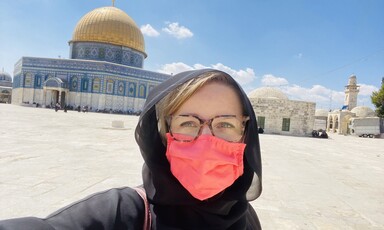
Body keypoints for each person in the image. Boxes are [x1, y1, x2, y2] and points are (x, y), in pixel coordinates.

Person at [0, 69, 263, 229]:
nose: (206, 140)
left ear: (246, 133)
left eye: (226, 123)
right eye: (188, 122)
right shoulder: (121, 215)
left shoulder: (245, 217)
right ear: (162, 134)